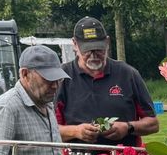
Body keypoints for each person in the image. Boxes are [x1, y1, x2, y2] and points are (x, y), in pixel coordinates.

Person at [55, 17, 159, 147]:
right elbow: (48, 130)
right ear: (75, 44)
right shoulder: (61, 77)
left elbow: (153, 124)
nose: (93, 55)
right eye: (87, 50)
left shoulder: (128, 74)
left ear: (107, 42)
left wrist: (128, 127)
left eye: (99, 49)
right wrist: (76, 131)